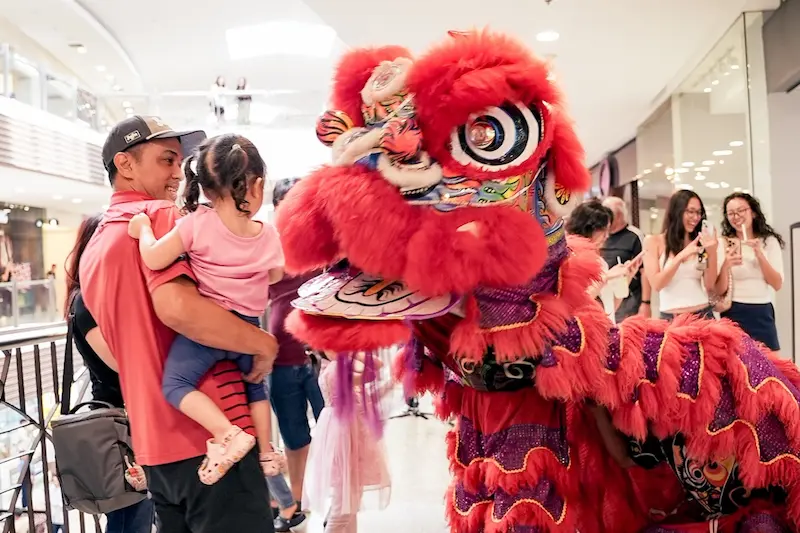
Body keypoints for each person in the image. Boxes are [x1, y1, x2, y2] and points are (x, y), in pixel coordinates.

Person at [79, 115, 277, 532]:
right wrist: (262, 344)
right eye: (167, 160)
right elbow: (179, 309)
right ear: (125, 164)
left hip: (154, 448)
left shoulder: (94, 248)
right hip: (214, 440)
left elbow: (118, 355)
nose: (177, 172)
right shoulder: (160, 218)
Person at [128, 134, 284, 484]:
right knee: (256, 387)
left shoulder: (197, 223)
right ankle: (267, 452)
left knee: (176, 383)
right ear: (257, 185)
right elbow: (275, 274)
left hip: (209, 329)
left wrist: (142, 232)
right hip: (249, 328)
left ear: (206, 186)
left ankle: (227, 434)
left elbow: (154, 258)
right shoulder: (268, 233)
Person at [63, 214, 154, 532]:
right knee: (131, 515)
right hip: (118, 425)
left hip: (126, 420)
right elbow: (119, 361)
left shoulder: (95, 298)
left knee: (135, 513)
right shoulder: (86, 302)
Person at [268, 178, 324, 506]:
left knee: (335, 430)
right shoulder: (266, 245)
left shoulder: (321, 245)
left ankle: (333, 498)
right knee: (294, 435)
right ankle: (297, 500)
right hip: (282, 356)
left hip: (321, 353)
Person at [303, 355, 391, 533]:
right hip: (344, 437)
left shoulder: (338, 366)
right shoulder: (337, 368)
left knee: (349, 504)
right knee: (344, 507)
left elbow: (369, 392)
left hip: (350, 436)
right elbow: (375, 368)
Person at [717, 192, 784, 352]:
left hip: (762, 310)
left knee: (770, 365)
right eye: (731, 213)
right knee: (737, 368)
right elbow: (718, 289)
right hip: (733, 310)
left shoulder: (769, 241)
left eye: (741, 210)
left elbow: (776, 284)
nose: (736, 216)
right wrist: (726, 265)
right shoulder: (724, 243)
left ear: (753, 212)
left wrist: (759, 254)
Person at [643, 189, 720, 321]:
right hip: (671, 318)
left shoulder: (700, 242)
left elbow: (709, 285)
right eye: (690, 211)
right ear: (677, 211)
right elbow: (657, 284)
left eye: (699, 212)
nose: (695, 217)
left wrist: (712, 252)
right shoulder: (653, 241)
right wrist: (680, 257)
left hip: (702, 315)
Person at [566, 199, 640, 323]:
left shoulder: (600, 262)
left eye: (608, 230)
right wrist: (605, 277)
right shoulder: (569, 258)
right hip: (582, 333)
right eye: (604, 230)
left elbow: (609, 308)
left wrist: (627, 278)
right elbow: (576, 304)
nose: (606, 236)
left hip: (604, 329)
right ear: (589, 227)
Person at [601, 196, 652, 320]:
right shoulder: (601, 235)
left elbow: (645, 272)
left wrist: (646, 303)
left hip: (630, 299)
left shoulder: (635, 235)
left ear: (618, 215)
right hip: (604, 295)